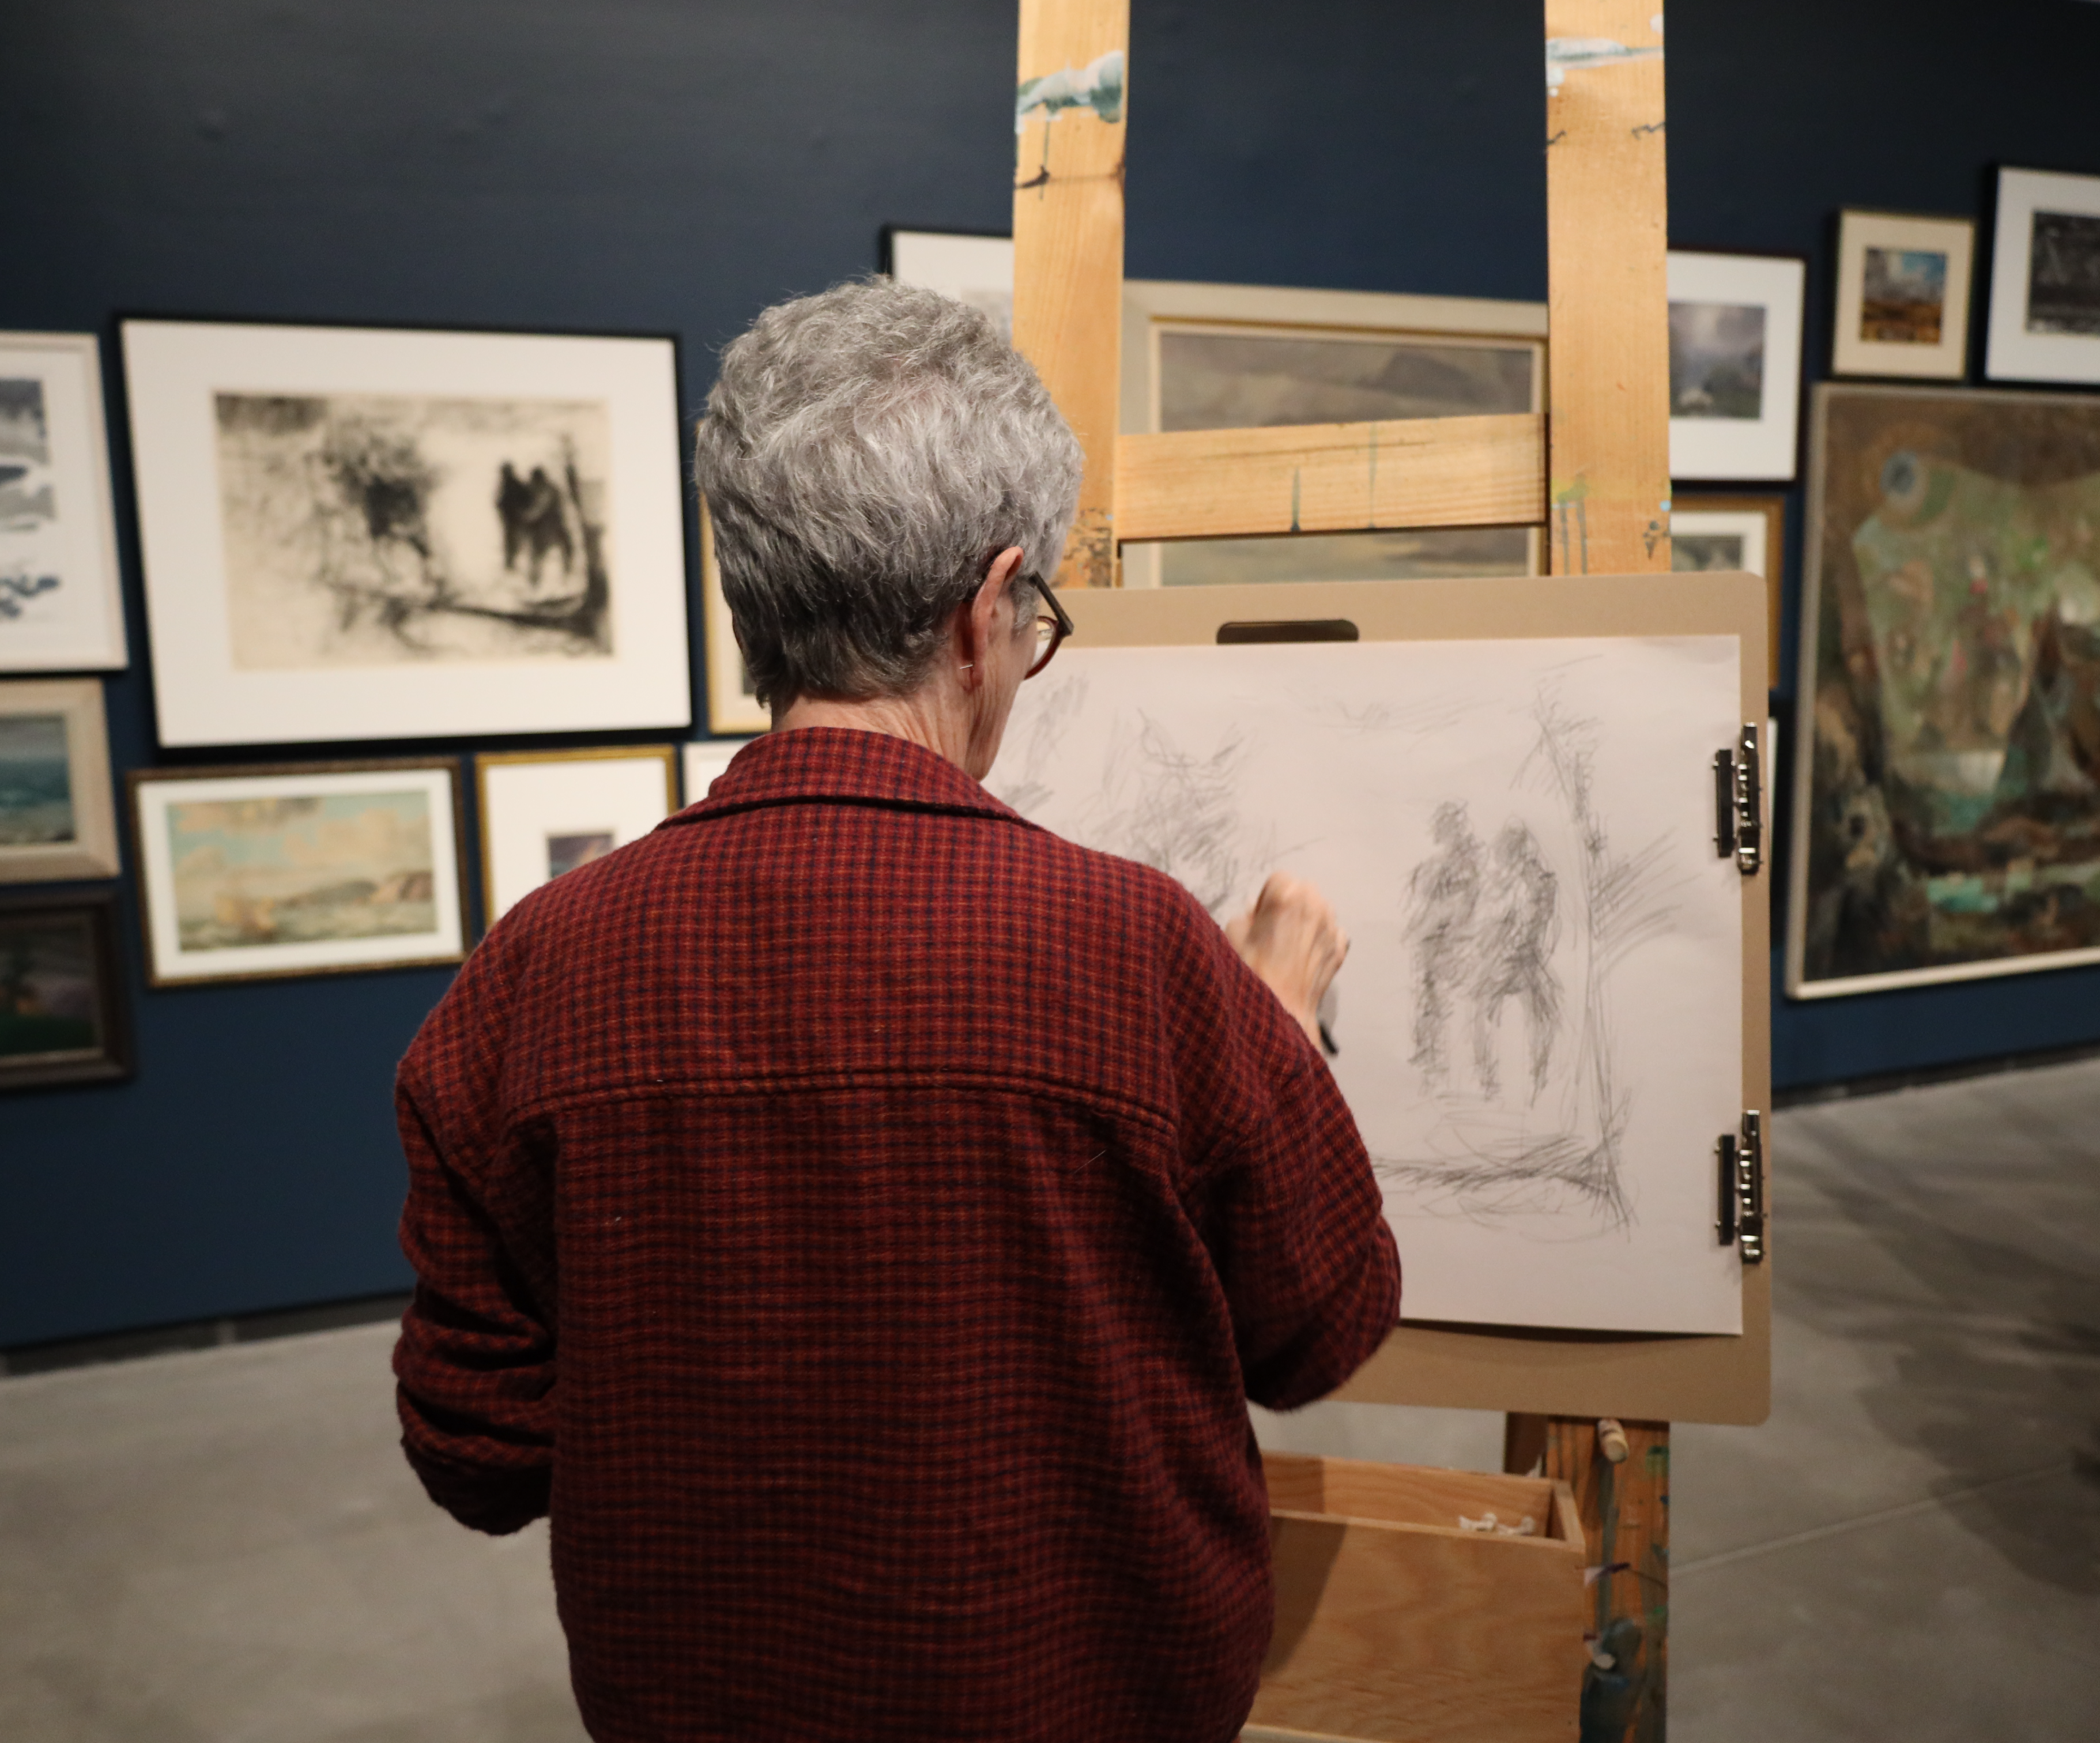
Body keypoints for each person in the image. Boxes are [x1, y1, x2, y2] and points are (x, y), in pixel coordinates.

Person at [392, 278, 1401, 1743]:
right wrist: (1281, 1023)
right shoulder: (1148, 959)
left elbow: (478, 1455)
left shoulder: (531, 975)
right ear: (990, 608)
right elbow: (1321, 1330)